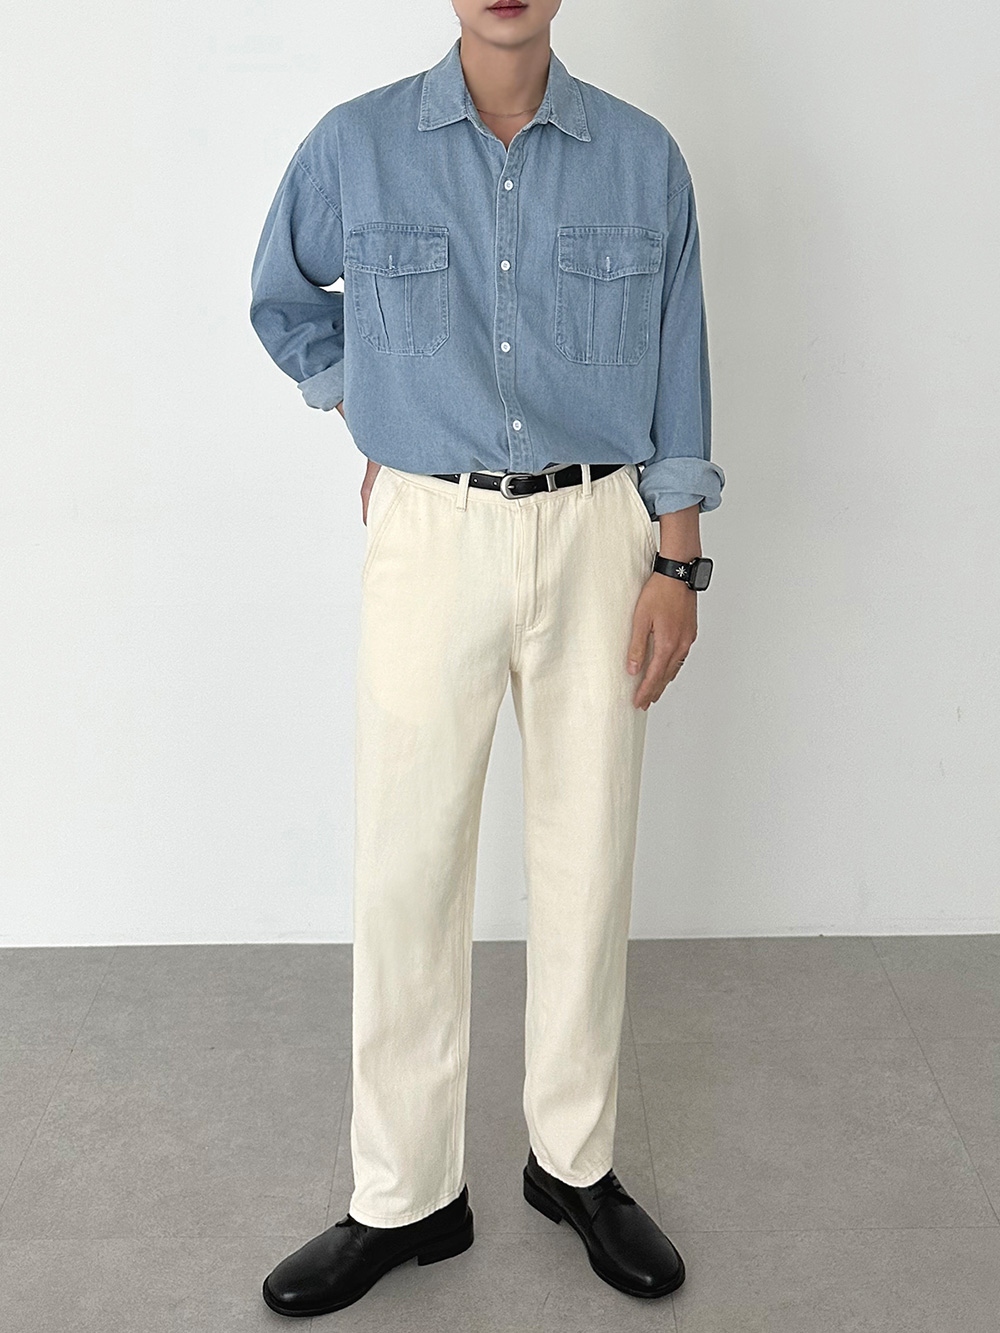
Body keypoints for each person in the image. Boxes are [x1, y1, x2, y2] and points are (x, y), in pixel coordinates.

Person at [249, 0, 724, 1317]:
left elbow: (679, 359)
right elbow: (282, 296)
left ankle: (575, 1163)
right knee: (406, 862)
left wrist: (678, 560)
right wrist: (368, 395)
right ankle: (404, 1192)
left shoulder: (643, 158)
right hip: (431, 532)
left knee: (587, 851)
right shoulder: (355, 147)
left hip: (600, 532)